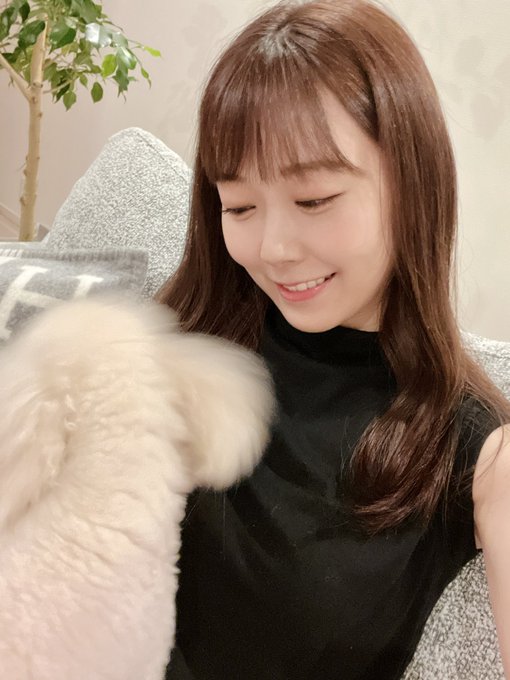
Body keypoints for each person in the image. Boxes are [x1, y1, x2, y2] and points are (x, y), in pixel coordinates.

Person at [159, 1, 510, 678]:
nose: (273, 248)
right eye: (239, 206)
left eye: (314, 199)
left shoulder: (474, 451)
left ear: (412, 183)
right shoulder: (190, 336)